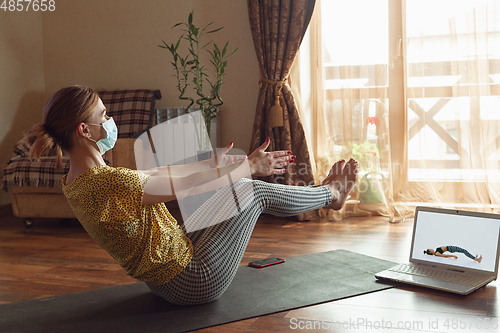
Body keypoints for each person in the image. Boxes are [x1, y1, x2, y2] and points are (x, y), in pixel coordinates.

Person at [24, 85, 359, 305]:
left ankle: (326, 194)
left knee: (238, 186)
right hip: (192, 281)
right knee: (252, 191)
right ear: (84, 130)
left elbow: (159, 176)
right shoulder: (105, 183)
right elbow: (184, 188)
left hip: (170, 267)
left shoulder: (82, 179)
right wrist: (248, 167)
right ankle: (330, 194)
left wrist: (217, 166)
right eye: (105, 116)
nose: (111, 121)